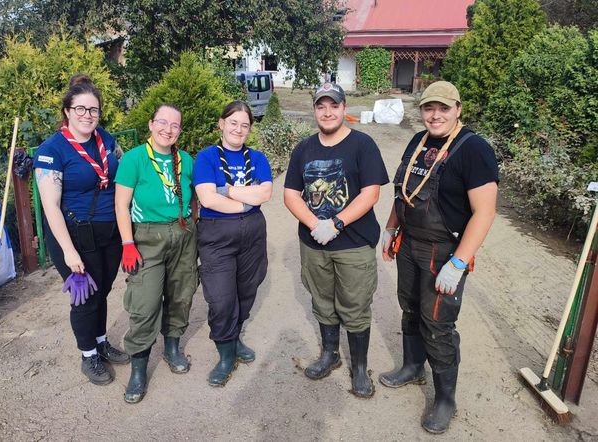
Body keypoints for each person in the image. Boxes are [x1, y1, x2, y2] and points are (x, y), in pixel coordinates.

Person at [379, 81, 498, 434]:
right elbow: (405, 192)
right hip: (409, 244)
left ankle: (446, 398)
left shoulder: (474, 149)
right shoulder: (418, 142)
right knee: (410, 309)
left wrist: (459, 263)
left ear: (458, 109)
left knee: (438, 324)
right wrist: (390, 229)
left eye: (443, 108)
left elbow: (485, 212)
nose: (435, 115)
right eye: (429, 108)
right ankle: (412, 367)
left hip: (443, 252)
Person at [283, 83, 389, 398]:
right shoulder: (303, 149)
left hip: (353, 244)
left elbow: (371, 193)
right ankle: (330, 354)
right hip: (314, 243)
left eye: (334, 106)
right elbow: (290, 194)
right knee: (322, 302)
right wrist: (315, 223)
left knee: (355, 305)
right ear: (314, 110)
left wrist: (337, 222)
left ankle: (359, 368)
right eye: (321, 106)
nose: (327, 112)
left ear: (344, 109)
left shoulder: (363, 145)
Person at [34, 74, 129, 386]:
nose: (88, 116)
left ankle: (101, 342)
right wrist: (69, 251)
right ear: (67, 111)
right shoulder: (52, 151)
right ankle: (88, 356)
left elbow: (123, 175)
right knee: (85, 298)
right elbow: (51, 207)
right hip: (74, 236)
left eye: (93, 110)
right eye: (81, 109)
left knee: (102, 291)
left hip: (109, 233)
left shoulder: (108, 140)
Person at [114, 104, 198, 404]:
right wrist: (127, 243)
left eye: (175, 125)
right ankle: (139, 367)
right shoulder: (134, 159)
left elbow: (195, 197)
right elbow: (121, 205)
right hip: (147, 238)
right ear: (151, 124)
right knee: (145, 303)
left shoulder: (185, 160)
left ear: (180, 131)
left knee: (181, 294)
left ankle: (172, 347)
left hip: (183, 234)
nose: (168, 129)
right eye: (162, 122)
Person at [193, 100, 273, 387]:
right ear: (221, 124)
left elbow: (265, 194)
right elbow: (207, 199)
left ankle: (234, 339)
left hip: (253, 233)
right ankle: (225, 356)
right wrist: (244, 203)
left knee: (246, 290)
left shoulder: (258, 158)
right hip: (217, 234)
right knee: (221, 297)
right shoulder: (206, 158)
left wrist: (227, 190)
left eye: (245, 125)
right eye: (233, 123)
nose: (239, 129)